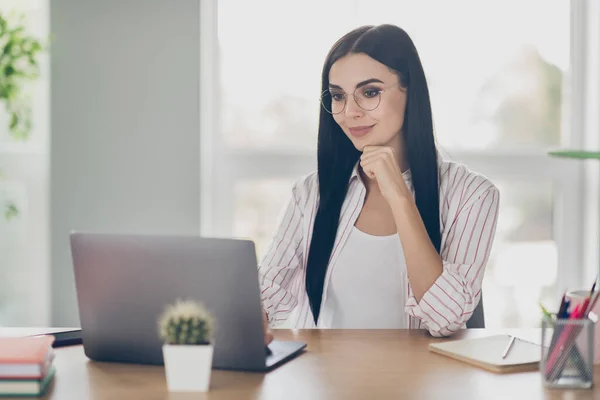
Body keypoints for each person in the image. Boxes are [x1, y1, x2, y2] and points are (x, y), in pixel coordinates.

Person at [258, 24, 500, 343]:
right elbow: (266, 293)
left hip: (422, 388)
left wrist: (399, 195)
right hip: (320, 385)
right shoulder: (310, 194)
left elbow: (447, 319)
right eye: (338, 96)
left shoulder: (471, 195)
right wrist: (252, 319)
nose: (350, 112)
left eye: (370, 93)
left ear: (410, 92)